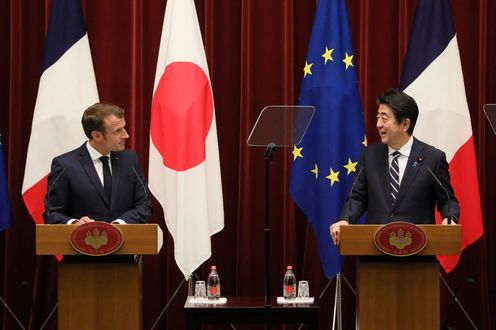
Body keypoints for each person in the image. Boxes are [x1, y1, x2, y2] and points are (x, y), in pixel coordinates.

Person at [330, 88, 459, 245]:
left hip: (418, 255)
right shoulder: (369, 155)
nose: (378, 125)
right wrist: (345, 220)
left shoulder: (432, 158)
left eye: (384, 119)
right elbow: (357, 197)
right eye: (378, 117)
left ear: (405, 124)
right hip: (375, 254)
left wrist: (449, 219)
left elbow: (447, 200)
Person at [43, 102, 152, 225]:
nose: (126, 135)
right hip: (82, 241)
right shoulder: (65, 165)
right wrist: (74, 224)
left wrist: (118, 225)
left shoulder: (130, 159)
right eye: (118, 131)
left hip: (127, 241)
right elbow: (52, 214)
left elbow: (144, 207)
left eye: (124, 128)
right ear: (97, 135)